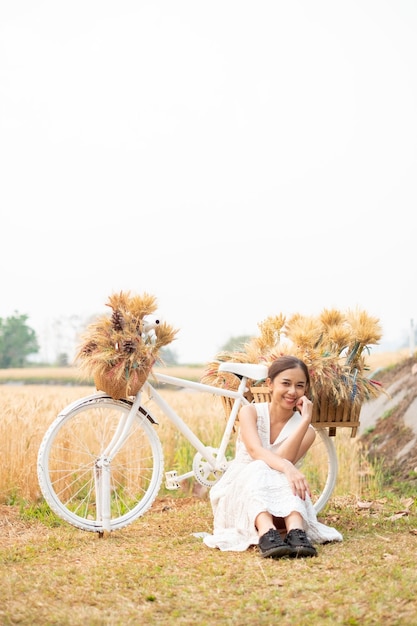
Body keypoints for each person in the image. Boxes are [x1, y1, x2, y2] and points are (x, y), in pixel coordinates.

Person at [203, 356, 343, 558]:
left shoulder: (308, 431)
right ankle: (266, 533)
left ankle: (296, 531)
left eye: (299, 386)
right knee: (263, 466)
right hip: (241, 494)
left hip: (280, 507)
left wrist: (305, 421)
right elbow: (256, 453)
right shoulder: (249, 412)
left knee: (277, 467)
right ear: (270, 384)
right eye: (285, 383)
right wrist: (288, 468)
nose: (292, 391)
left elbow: (282, 458)